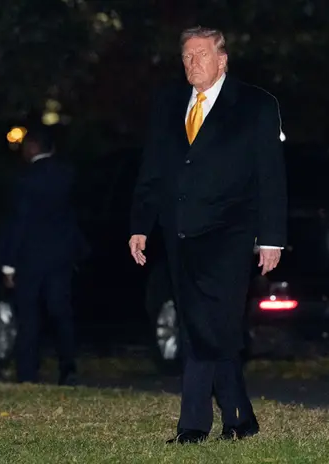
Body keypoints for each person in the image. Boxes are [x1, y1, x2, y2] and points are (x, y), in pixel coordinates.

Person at [128, 26, 287, 444]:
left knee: (209, 323)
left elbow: (270, 176)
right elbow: (153, 170)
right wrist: (140, 225)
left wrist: (271, 238)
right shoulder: (168, 105)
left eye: (199, 54)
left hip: (230, 232)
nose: (191, 63)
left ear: (222, 59)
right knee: (202, 324)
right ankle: (239, 417)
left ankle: (193, 425)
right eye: (185, 56)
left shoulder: (254, 105)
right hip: (179, 231)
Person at [0, 126, 86, 386]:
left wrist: (8, 264)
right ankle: (68, 368)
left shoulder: (24, 179)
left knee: (29, 316)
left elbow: (18, 222)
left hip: (29, 260)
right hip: (60, 257)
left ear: (32, 147)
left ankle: (28, 373)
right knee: (61, 312)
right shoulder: (67, 175)